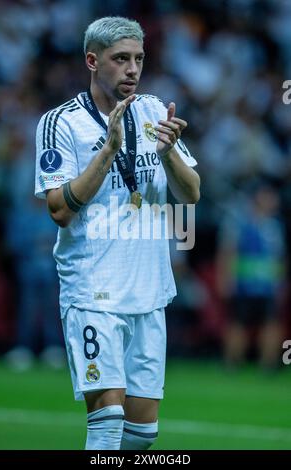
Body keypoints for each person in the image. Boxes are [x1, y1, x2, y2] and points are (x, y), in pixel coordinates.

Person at [34, 16, 200, 450]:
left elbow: (192, 195)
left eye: (139, 59)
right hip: (93, 291)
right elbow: (59, 211)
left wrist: (168, 157)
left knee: (141, 437)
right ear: (92, 60)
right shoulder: (60, 123)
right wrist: (107, 151)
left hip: (149, 291)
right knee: (107, 423)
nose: (132, 69)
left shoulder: (153, 111)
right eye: (120, 59)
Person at [216, 181, 287, 370]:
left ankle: (268, 366)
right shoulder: (239, 223)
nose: (272, 200)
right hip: (243, 284)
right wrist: (225, 278)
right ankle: (232, 364)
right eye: (268, 196)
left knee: (271, 324)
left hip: (267, 285)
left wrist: (280, 283)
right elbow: (228, 252)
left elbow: (279, 257)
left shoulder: (275, 226)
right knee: (237, 324)